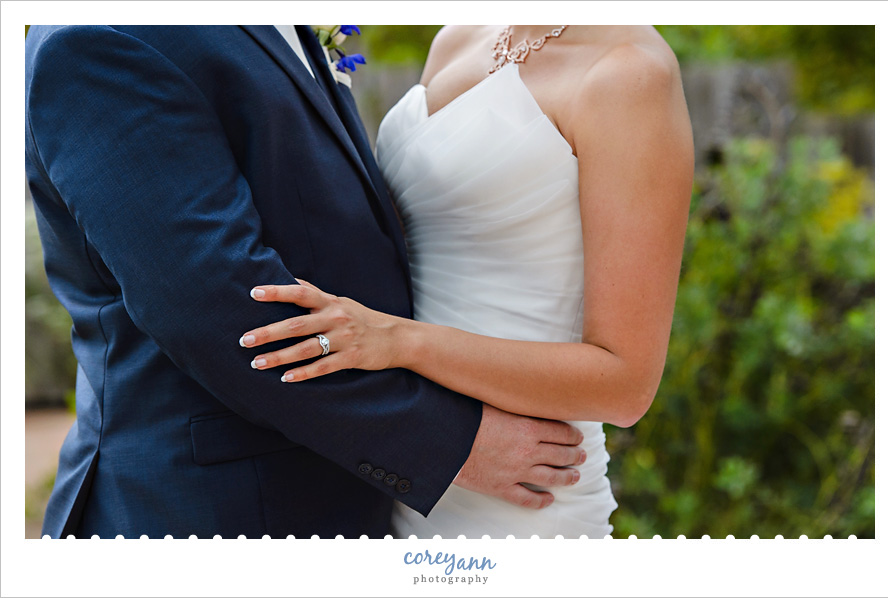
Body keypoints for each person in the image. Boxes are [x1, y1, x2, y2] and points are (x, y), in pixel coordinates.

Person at [24, 25, 586, 539]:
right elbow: (217, 310)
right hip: (212, 511)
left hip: (341, 490)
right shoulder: (106, 35)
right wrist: (446, 443)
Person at [242, 25, 694, 538]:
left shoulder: (630, 73)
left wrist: (398, 341)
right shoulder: (457, 37)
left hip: (523, 493)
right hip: (401, 471)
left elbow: (625, 383)